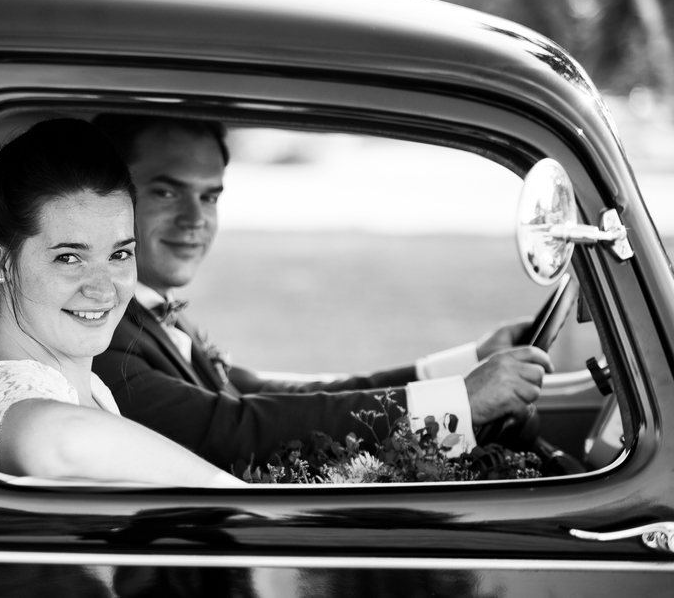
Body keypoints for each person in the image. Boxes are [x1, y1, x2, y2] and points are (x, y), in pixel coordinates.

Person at [90, 114, 553, 468]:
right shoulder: (96, 335)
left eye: (210, 197)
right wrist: (455, 406)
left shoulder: (151, 310)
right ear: (105, 196)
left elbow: (263, 393)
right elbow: (233, 431)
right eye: (167, 193)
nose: (196, 220)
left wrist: (464, 365)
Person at [0, 118, 244, 487]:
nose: (102, 290)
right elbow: (60, 442)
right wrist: (236, 497)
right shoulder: (7, 397)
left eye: (119, 255)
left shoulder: (92, 389)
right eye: (69, 257)